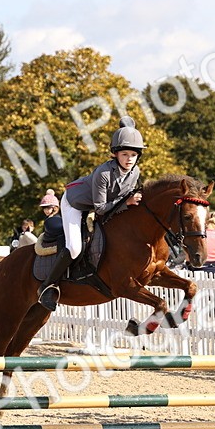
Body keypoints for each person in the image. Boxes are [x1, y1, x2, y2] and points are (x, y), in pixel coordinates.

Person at [38, 117, 144, 310]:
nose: (129, 159)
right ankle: (47, 287)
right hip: (74, 202)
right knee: (75, 247)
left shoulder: (135, 172)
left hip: (98, 205)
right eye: (124, 154)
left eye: (133, 155)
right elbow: (102, 208)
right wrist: (127, 202)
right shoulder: (103, 173)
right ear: (115, 154)